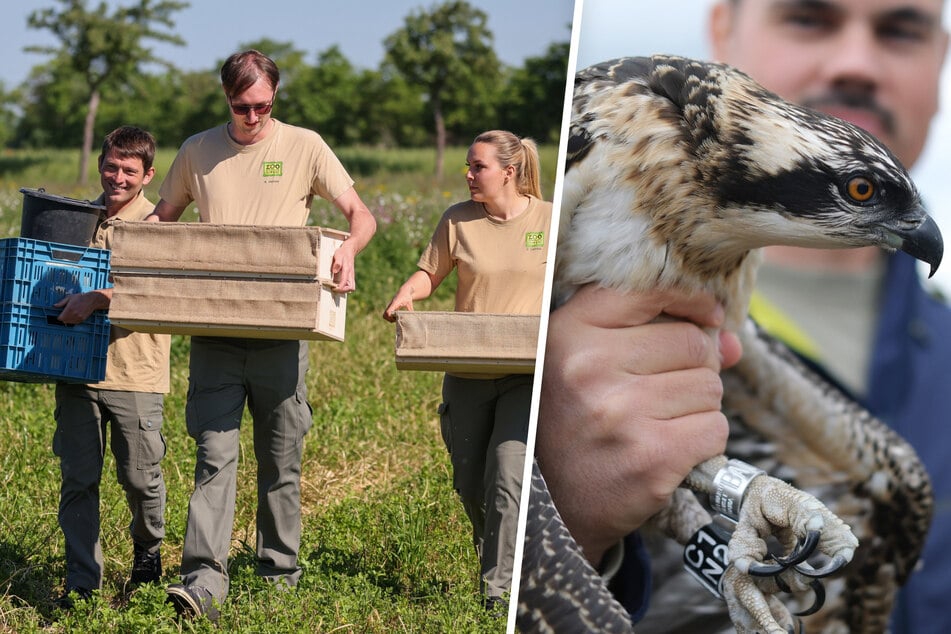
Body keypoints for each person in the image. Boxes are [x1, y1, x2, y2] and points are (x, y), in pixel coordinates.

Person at [536, 0, 951, 631]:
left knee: (887, 501)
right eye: (809, 17)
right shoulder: (607, 123)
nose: (855, 63)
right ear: (724, 26)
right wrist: (558, 513)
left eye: (900, 28)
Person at [145, 49, 376, 621]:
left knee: (281, 459)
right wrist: (118, 238)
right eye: (242, 107)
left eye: (264, 107)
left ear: (276, 97)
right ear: (226, 98)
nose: (253, 118)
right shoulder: (199, 151)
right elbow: (163, 218)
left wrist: (348, 247)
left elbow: (360, 215)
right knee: (214, 455)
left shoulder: (304, 146)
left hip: (282, 330)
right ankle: (203, 583)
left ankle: (278, 575)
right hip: (214, 332)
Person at [383, 130, 551, 613]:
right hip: (467, 372)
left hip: (525, 373)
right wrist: (408, 291)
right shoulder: (457, 220)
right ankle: (499, 556)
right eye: (467, 166)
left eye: (478, 167)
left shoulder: (549, 217)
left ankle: (499, 595)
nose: (469, 175)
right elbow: (430, 274)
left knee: (507, 478)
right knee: (470, 482)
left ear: (509, 172)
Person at [51, 125, 171, 608]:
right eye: (111, 166)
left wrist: (97, 299)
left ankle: (147, 567)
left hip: (135, 372)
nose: (117, 177)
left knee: (141, 479)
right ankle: (82, 583)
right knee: (78, 480)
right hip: (77, 370)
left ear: (147, 175)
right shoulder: (80, 220)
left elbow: (159, 291)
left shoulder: (158, 225)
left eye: (129, 170)